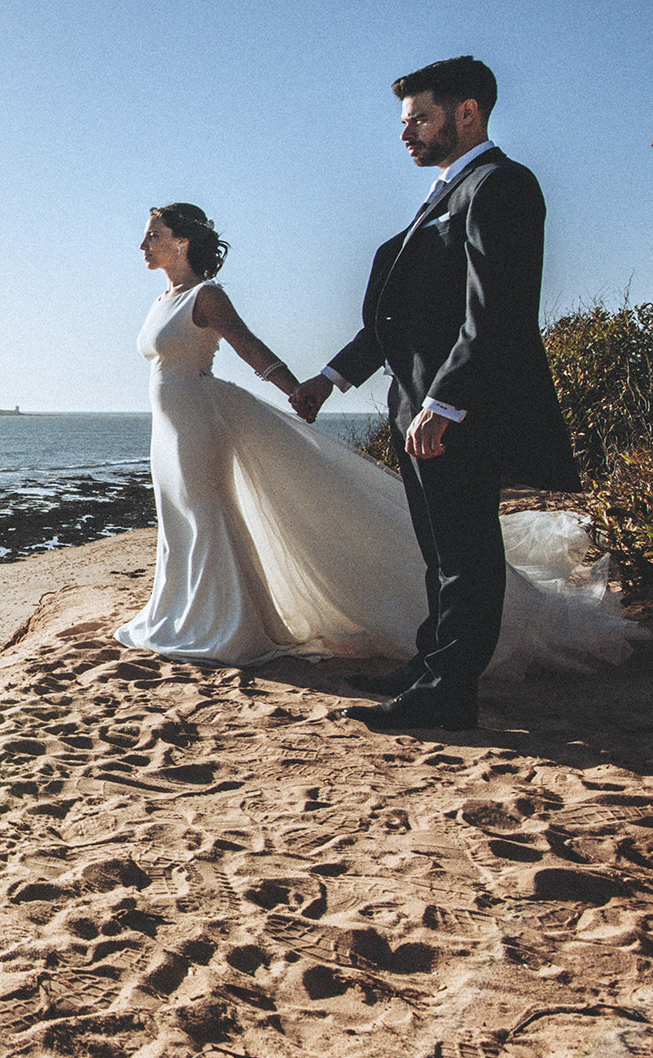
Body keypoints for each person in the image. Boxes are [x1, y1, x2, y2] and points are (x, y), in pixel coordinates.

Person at [115, 199, 641, 697]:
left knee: (206, 513)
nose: (143, 244)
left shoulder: (206, 296)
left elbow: (248, 346)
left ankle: (220, 624)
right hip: (168, 420)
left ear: (182, 242)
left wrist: (296, 386)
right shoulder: (161, 298)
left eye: (152, 235)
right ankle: (177, 611)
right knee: (177, 514)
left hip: (199, 418)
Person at [290, 57, 587, 731]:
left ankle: (451, 693)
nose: (407, 133)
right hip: (416, 406)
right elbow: (407, 314)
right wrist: (331, 379)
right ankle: (432, 663)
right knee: (439, 553)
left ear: (468, 113)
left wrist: (446, 401)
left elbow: (499, 312)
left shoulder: (500, 185)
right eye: (405, 121)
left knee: (467, 555)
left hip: (457, 410)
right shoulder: (448, 190)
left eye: (420, 118)